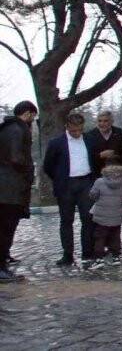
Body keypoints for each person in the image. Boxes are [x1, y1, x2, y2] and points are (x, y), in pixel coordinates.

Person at [43, 113, 97, 267]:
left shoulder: (89, 140)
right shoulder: (56, 143)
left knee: (88, 219)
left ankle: (87, 252)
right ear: (67, 126)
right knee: (66, 220)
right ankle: (67, 254)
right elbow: (48, 166)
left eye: (80, 130)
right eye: (74, 131)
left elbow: (95, 161)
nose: (77, 133)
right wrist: (59, 179)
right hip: (66, 185)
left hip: (86, 182)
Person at [0, 100, 37, 282]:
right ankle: (1, 268)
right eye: (33, 116)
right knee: (6, 227)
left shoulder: (7, 128)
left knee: (6, 227)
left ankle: (3, 262)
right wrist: (28, 171)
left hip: (7, 187)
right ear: (28, 113)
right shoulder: (17, 130)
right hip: (10, 188)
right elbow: (16, 157)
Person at [88, 158, 122, 263]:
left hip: (101, 215)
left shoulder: (99, 181)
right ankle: (116, 254)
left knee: (100, 236)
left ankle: (98, 256)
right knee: (116, 235)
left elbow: (93, 195)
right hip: (117, 214)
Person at [87, 110, 122, 175]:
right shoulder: (90, 135)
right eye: (100, 121)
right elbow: (88, 156)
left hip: (116, 174)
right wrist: (100, 155)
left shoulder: (119, 133)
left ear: (111, 122)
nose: (102, 123)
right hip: (98, 175)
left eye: (105, 121)